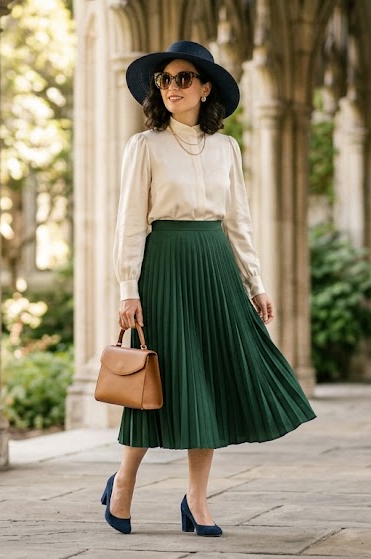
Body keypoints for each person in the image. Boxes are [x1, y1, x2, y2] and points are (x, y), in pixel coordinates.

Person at [102, 40, 317, 537]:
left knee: (209, 382)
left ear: (204, 88)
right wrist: (127, 289)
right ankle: (123, 484)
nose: (172, 87)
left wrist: (256, 283)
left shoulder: (226, 148)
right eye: (165, 80)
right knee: (155, 382)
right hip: (165, 269)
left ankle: (197, 500)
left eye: (182, 79)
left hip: (216, 266)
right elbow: (130, 223)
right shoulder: (145, 146)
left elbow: (237, 220)